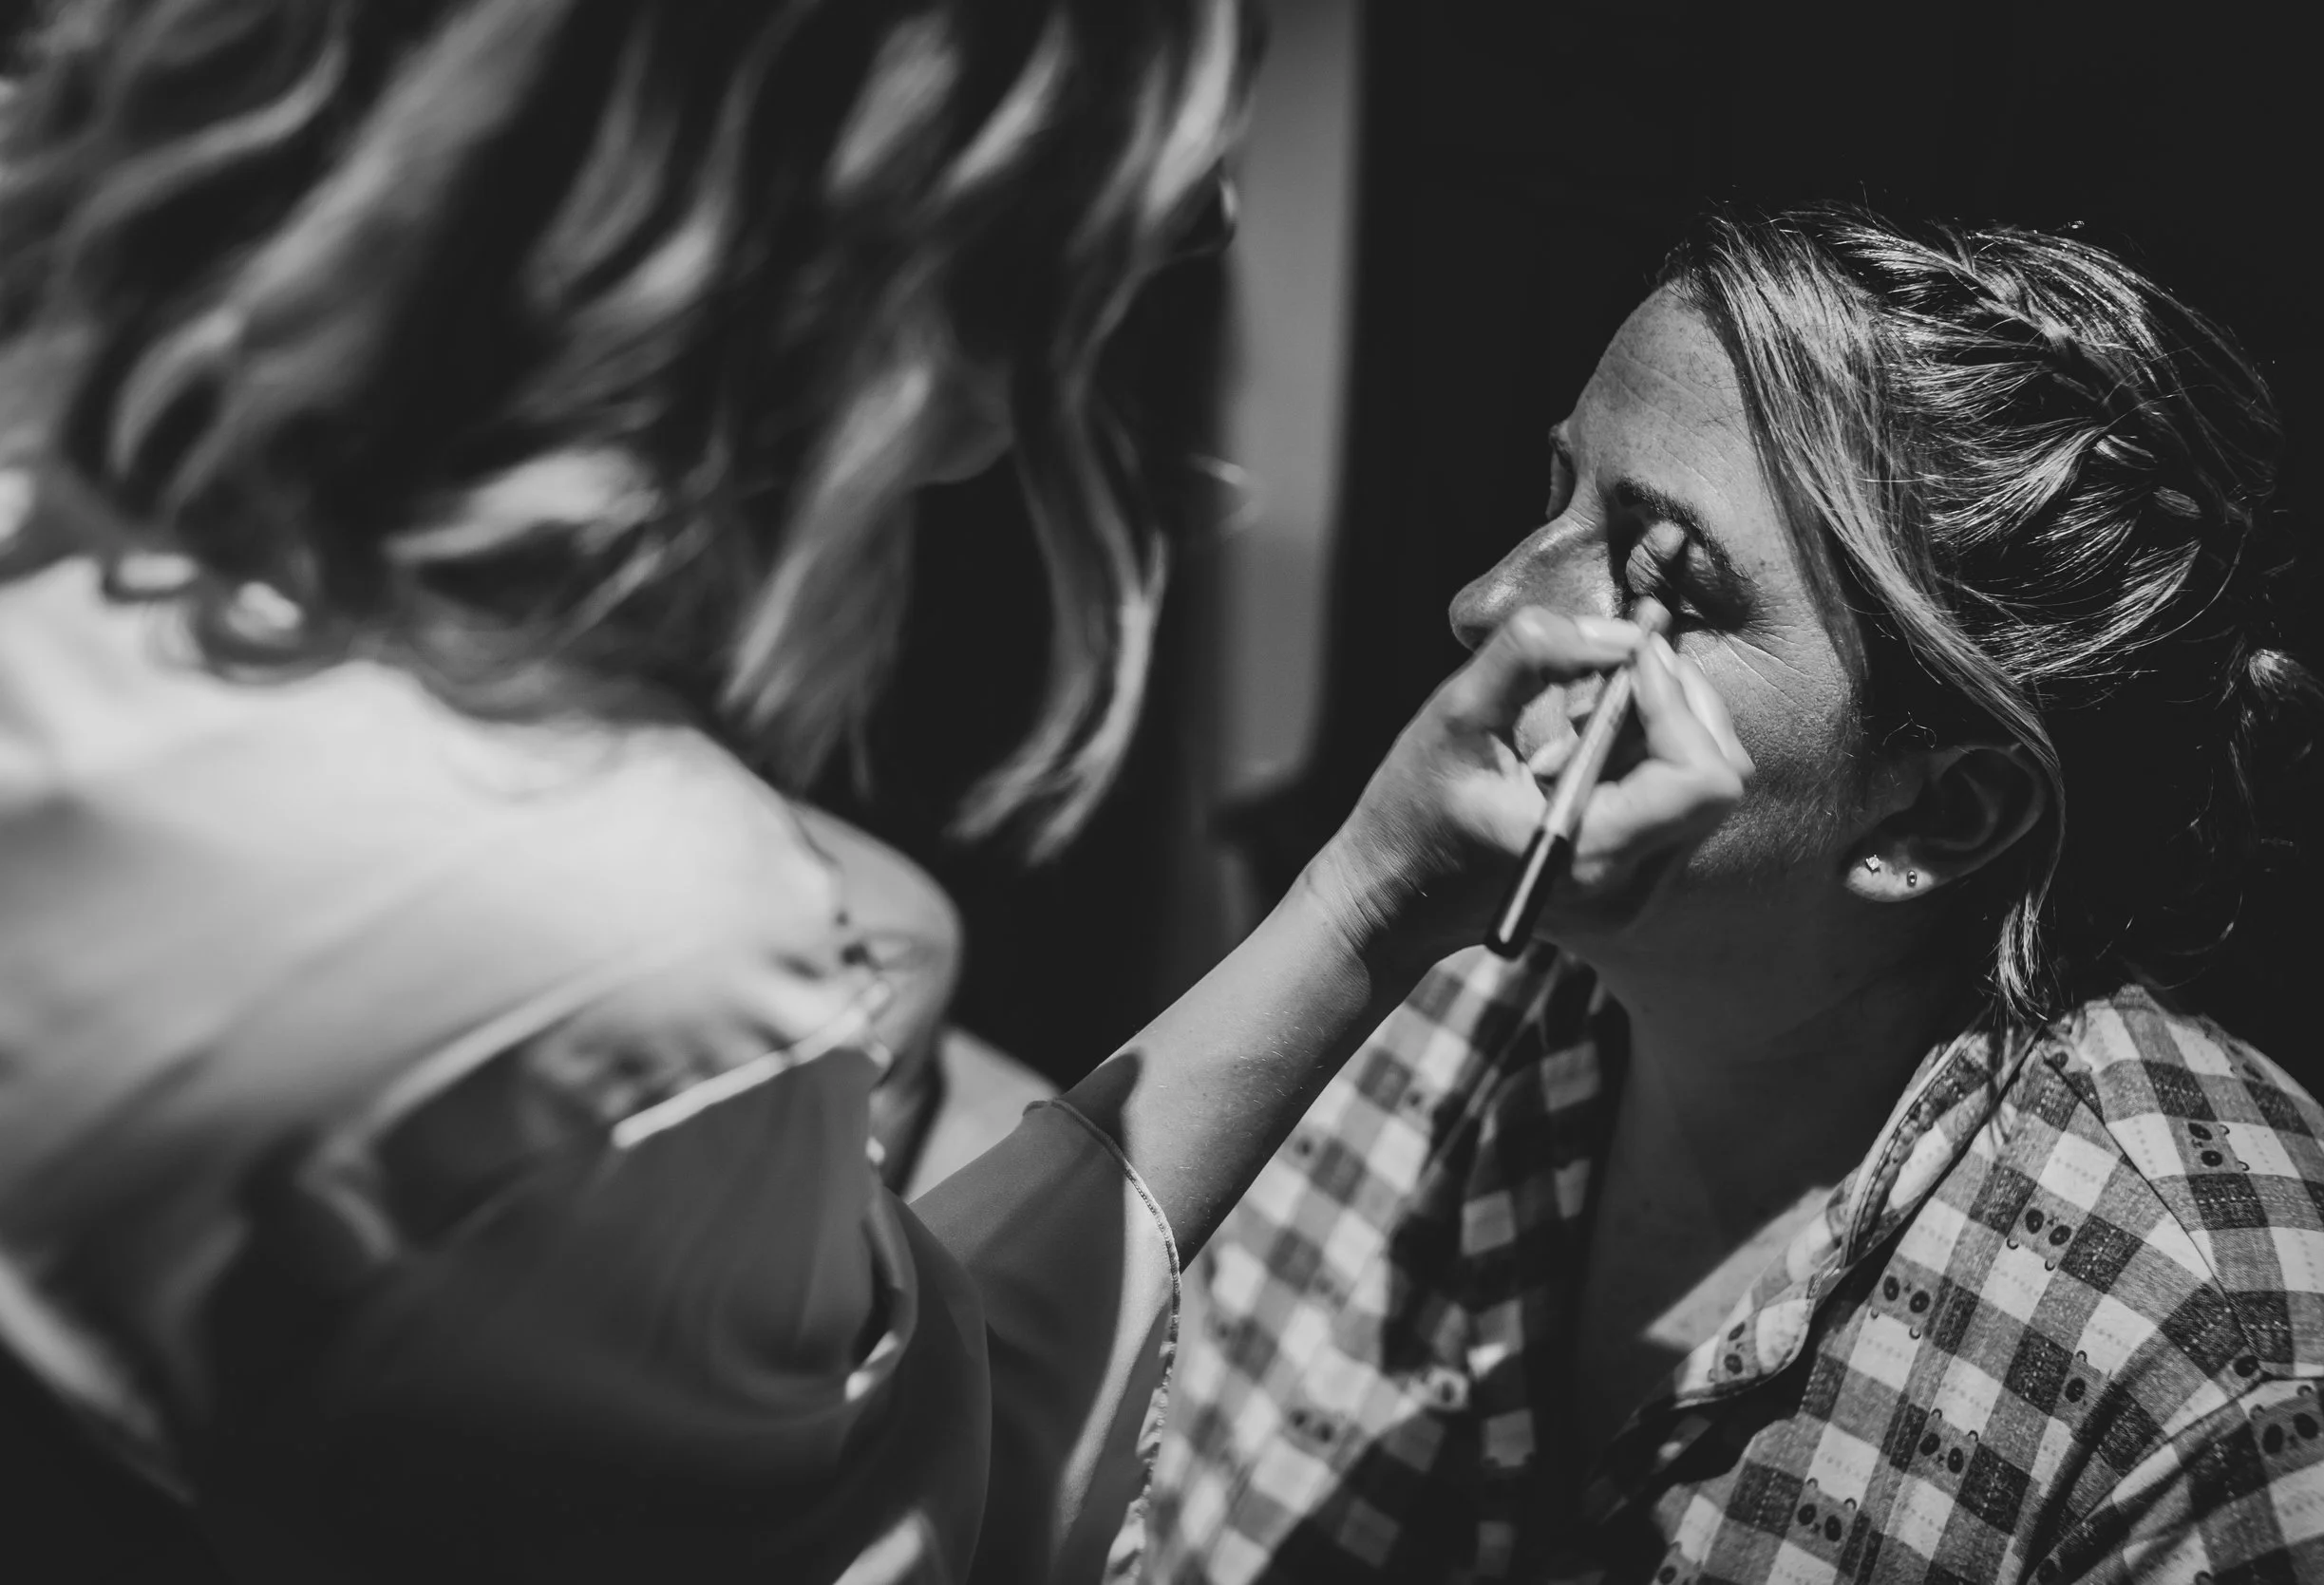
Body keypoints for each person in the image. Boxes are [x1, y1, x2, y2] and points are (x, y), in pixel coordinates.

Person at [0, 4, 1756, 1581]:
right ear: (898, 146)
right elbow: (929, 1519)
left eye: (1671, 568)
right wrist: (1371, 896)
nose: (1219, 210)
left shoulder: (85, 457)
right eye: (1173, 69)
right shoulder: (636, 925)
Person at [1143, 207, 2324, 1584]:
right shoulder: (1447, 994)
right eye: (1555, 494)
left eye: (1666, 576)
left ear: (1942, 813)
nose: (1490, 604)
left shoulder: (2208, 1346)